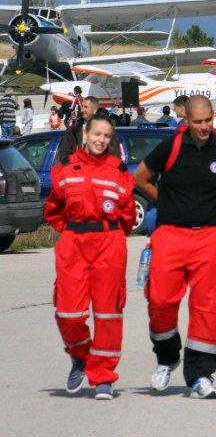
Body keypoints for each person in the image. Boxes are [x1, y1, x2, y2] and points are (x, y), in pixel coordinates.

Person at [134, 95, 216, 400]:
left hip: (210, 239)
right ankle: (167, 358)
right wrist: (166, 201)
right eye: (197, 122)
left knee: (207, 307)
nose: (203, 127)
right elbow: (141, 178)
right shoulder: (171, 146)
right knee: (159, 300)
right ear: (185, 120)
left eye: (207, 120)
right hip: (170, 236)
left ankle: (200, 376)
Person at [44, 114, 136, 399]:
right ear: (85, 134)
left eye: (107, 136)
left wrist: (108, 235)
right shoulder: (64, 169)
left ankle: (103, 377)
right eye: (96, 134)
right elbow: (53, 210)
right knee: (68, 313)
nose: (101, 140)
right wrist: (73, 232)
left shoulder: (120, 171)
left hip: (109, 243)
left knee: (108, 312)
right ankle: (80, 357)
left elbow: (128, 217)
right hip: (73, 244)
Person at [58, 96, 121, 162]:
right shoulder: (73, 130)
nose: (82, 110)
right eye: (81, 106)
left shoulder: (106, 129)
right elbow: (64, 154)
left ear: (95, 110)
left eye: (85, 107)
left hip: (101, 169)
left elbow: (114, 153)